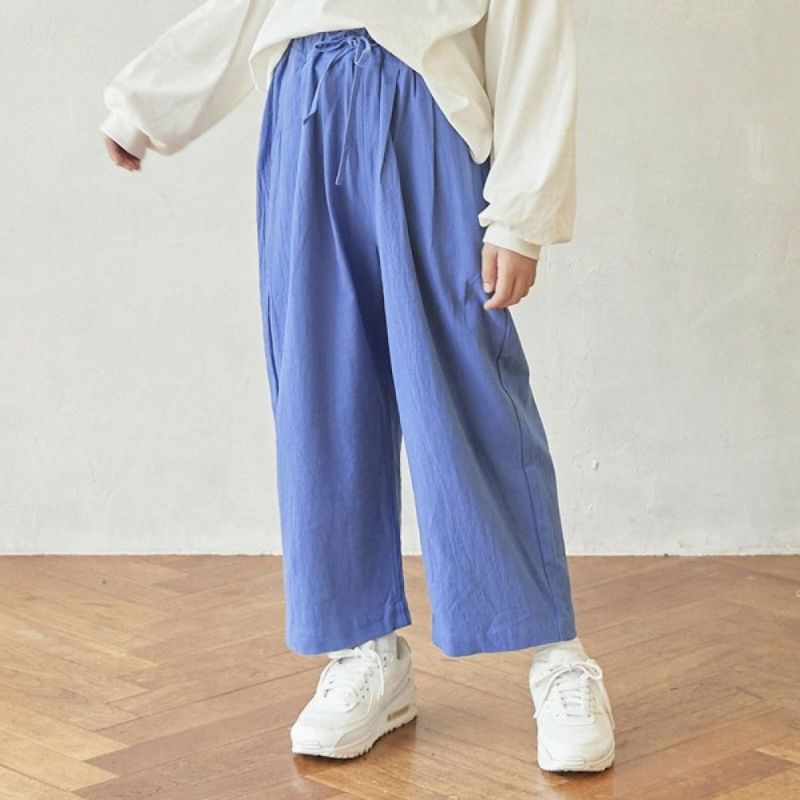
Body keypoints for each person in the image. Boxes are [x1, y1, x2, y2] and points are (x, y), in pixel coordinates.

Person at [100, 0, 615, 773]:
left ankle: (557, 655)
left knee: (467, 389)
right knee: (322, 393)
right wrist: (147, 104)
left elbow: (532, 26)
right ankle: (365, 649)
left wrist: (521, 214)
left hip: (427, 107)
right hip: (304, 113)